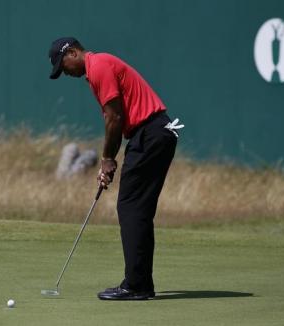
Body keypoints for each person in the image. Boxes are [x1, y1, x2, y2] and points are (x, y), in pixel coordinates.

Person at [48, 37, 183, 300]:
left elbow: (114, 117)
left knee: (131, 207)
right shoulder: (98, 67)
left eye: (62, 66)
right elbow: (116, 118)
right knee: (137, 208)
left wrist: (107, 159)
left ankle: (136, 285)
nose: (64, 73)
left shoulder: (98, 65)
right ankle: (140, 282)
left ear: (73, 52)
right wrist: (108, 159)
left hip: (150, 133)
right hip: (154, 133)